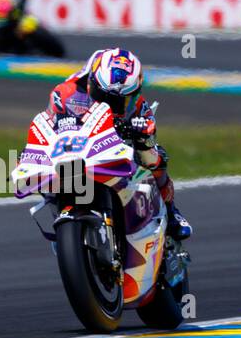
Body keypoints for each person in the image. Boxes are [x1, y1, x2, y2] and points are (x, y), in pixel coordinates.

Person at [45, 48, 192, 240]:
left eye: (119, 101)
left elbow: (149, 132)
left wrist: (142, 134)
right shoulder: (64, 93)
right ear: (92, 83)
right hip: (76, 147)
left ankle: (171, 212)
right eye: (103, 95)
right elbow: (46, 124)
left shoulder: (138, 104)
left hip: (115, 147)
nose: (110, 104)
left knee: (155, 158)